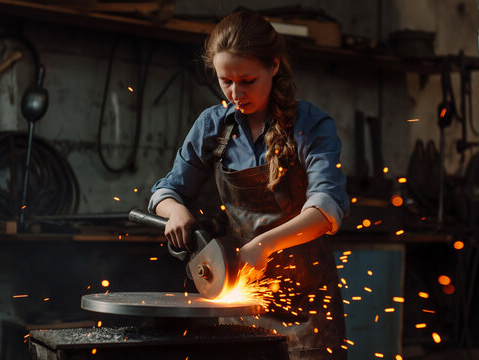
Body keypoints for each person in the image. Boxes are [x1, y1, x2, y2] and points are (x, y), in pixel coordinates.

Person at [149, 10, 349, 360]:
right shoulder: (213, 126)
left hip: (307, 309)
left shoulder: (310, 125)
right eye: (226, 81)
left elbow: (325, 209)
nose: (236, 93)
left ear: (273, 66)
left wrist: (265, 244)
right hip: (241, 300)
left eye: (247, 80)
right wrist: (176, 211)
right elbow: (166, 191)